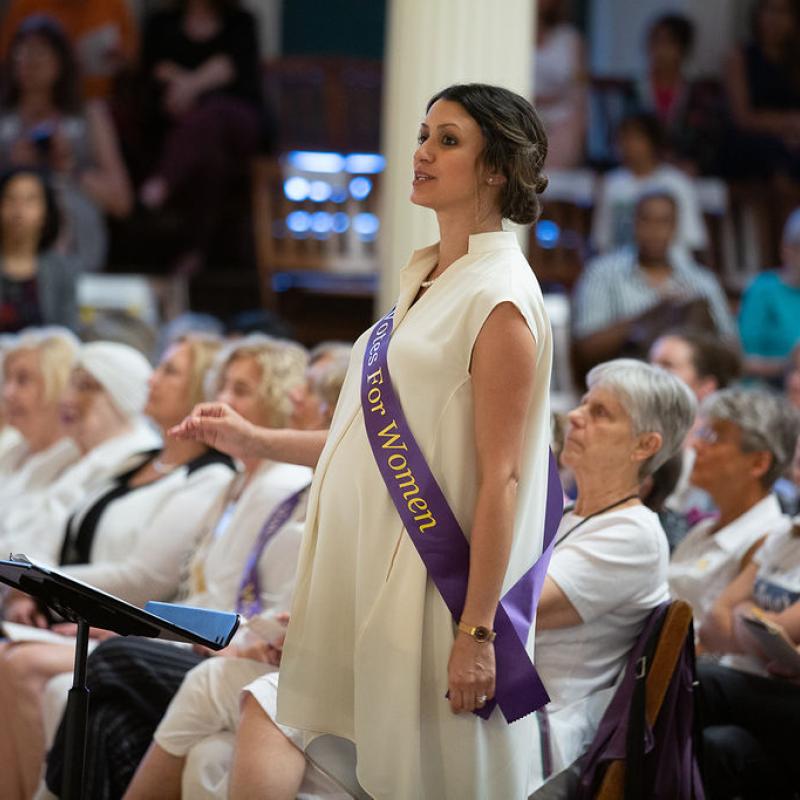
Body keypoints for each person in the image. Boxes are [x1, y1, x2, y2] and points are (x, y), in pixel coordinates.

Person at [172, 82, 557, 799]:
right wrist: (255, 437)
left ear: (497, 168)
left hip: (427, 585)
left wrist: (476, 635)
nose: (421, 152)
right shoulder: (428, 280)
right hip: (368, 571)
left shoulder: (499, 295)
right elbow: (369, 443)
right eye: (422, 134)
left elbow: (502, 478)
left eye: (448, 140)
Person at [172, 359, 693, 798]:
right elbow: (373, 458)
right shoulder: (562, 510)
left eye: (600, 414)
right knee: (213, 758)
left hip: (522, 725)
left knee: (273, 699)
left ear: (646, 445)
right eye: (584, 404)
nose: (575, 417)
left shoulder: (635, 534)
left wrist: (341, 631)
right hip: (463, 694)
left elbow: (509, 611)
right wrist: (257, 441)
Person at [40, 342, 348, 800]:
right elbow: (203, 591)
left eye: (239, 389)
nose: (222, 398)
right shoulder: (239, 483)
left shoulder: (282, 487)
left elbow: (249, 604)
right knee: (107, 713)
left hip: (227, 648)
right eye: (221, 385)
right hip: (218, 642)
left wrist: (155, 634)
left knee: (105, 663)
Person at [0, 334, 236, 800]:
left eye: (169, 371)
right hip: (72, 613)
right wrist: (33, 583)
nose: (152, 378)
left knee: (21, 665)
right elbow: (61, 523)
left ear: (200, 391)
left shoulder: (210, 476)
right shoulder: (137, 460)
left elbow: (143, 577)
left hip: (124, 621)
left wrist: (39, 583)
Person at [0, 340, 161, 559]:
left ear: (120, 394)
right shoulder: (72, 453)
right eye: (70, 385)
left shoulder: (137, 458)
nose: (67, 399)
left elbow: (46, 542)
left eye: (85, 387)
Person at [138, 0, 265, 273]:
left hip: (237, 126)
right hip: (181, 130)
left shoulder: (241, 24)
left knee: (214, 112)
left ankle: (162, 182)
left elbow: (240, 76)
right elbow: (150, 76)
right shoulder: (161, 24)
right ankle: (194, 253)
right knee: (209, 156)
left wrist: (187, 85)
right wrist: (202, 81)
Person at [0, 15, 133, 272]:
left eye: (39, 54)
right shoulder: (4, 119)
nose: (28, 62)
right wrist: (13, 169)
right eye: (22, 52)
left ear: (61, 61)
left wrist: (67, 167)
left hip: (74, 237)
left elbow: (122, 202)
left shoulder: (89, 115)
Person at [669, 389, 800, 632]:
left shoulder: (767, 538)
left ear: (758, 463)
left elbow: (721, 643)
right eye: (701, 432)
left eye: (713, 437)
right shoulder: (704, 528)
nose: (697, 445)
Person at [573, 191, 736, 372]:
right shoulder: (602, 274)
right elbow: (585, 350)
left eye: (663, 222)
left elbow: (732, 351)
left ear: (675, 227)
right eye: (646, 220)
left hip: (691, 386)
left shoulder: (702, 281)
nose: (654, 231)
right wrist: (652, 315)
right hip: (627, 384)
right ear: (634, 224)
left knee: (696, 309)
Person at [698, 517, 800, 798]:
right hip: (755, 685)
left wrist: (744, 611)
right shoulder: (783, 532)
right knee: (719, 745)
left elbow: (781, 627)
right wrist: (765, 629)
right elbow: (712, 625)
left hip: (787, 702)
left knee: (702, 679)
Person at [648, 328, 744, 547]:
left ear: (706, 387)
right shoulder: (633, 431)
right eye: (651, 362)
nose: (652, 372)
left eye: (667, 366)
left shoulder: (722, 449)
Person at [590, 113, 708, 254]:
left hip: (669, 267)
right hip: (619, 267)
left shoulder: (678, 184)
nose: (628, 145)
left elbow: (692, 240)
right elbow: (602, 241)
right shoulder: (612, 184)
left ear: (652, 141)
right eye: (623, 139)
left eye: (635, 138)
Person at [0, 327, 79, 511]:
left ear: (60, 385)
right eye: (7, 380)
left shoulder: (71, 465)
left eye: (23, 380)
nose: (7, 393)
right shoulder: (13, 453)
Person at [635, 13, 724, 175]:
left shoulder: (698, 96)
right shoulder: (634, 92)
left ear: (682, 49)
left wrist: (690, 164)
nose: (659, 50)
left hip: (685, 171)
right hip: (641, 168)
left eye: (667, 43)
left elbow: (707, 142)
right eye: (654, 42)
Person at [722, 0, 800, 181]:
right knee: (780, 165)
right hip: (752, 142)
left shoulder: (796, 61)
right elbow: (742, 117)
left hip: (794, 139)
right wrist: (790, 123)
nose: (774, 19)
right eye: (769, 11)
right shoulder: (739, 58)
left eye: (783, 13)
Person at [0, 0, 138, 101]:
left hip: (102, 99)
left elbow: (130, 55)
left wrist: (120, 57)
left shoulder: (113, 4)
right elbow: (7, 56)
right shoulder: (27, 5)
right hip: (42, 102)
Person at [0, 167, 78, 331]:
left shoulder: (60, 268)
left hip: (42, 355)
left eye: (30, 200)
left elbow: (68, 333)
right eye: (10, 199)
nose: (19, 210)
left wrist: (40, 352)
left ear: (46, 213)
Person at [739, 207, 800, 383]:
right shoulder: (763, 290)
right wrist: (788, 365)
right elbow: (742, 361)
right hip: (767, 393)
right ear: (787, 250)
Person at [533, 0, 586, 169]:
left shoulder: (570, 39)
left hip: (562, 124)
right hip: (520, 119)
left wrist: (577, 135)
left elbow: (580, 94)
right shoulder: (510, 34)